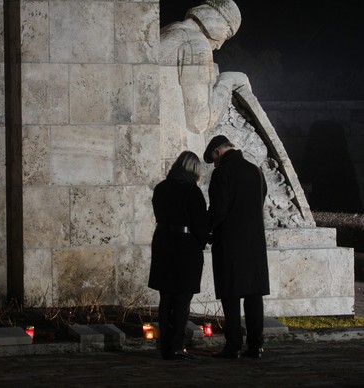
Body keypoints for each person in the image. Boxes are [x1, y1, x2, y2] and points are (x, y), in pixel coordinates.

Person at [204, 135, 269, 359]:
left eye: (213, 160)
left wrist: (207, 229)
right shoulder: (255, 171)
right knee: (253, 295)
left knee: (231, 296)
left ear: (217, 153)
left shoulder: (222, 173)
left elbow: (218, 208)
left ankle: (233, 345)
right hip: (254, 243)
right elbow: (260, 200)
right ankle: (256, 345)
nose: (214, 164)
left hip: (230, 242)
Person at [148, 151, 209, 360]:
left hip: (164, 242)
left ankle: (166, 344)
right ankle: (176, 345)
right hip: (185, 246)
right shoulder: (192, 192)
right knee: (181, 299)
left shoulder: (161, 188)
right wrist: (201, 242)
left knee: (166, 298)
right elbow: (200, 223)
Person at [160, 0, 251, 134]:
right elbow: (199, 121)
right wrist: (227, 81)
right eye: (227, 34)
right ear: (218, 19)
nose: (219, 46)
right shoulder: (196, 44)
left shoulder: (167, 30)